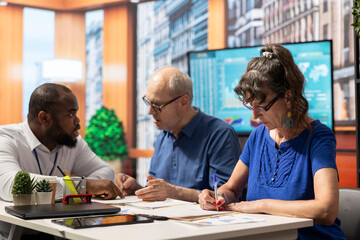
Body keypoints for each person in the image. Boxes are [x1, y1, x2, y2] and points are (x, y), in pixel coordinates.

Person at [198, 44, 346, 239]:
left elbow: (326, 210)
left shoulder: (318, 138)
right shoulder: (258, 137)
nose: (255, 115)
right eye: (251, 105)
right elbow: (232, 188)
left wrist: (261, 205)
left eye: (262, 106)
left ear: (288, 96)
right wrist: (219, 196)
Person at [115, 66, 241, 202]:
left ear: (183, 102)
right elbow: (158, 190)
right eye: (148, 102)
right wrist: (136, 189)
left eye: (157, 105)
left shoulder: (219, 134)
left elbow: (224, 197)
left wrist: (174, 192)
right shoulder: (164, 134)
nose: (150, 111)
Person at [0, 83, 122, 202]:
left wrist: (87, 187)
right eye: (71, 114)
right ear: (44, 118)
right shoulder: (5, 138)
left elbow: (105, 171)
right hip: (17, 222)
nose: (77, 121)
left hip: (58, 221)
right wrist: (82, 186)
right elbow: (10, 185)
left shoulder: (72, 142)